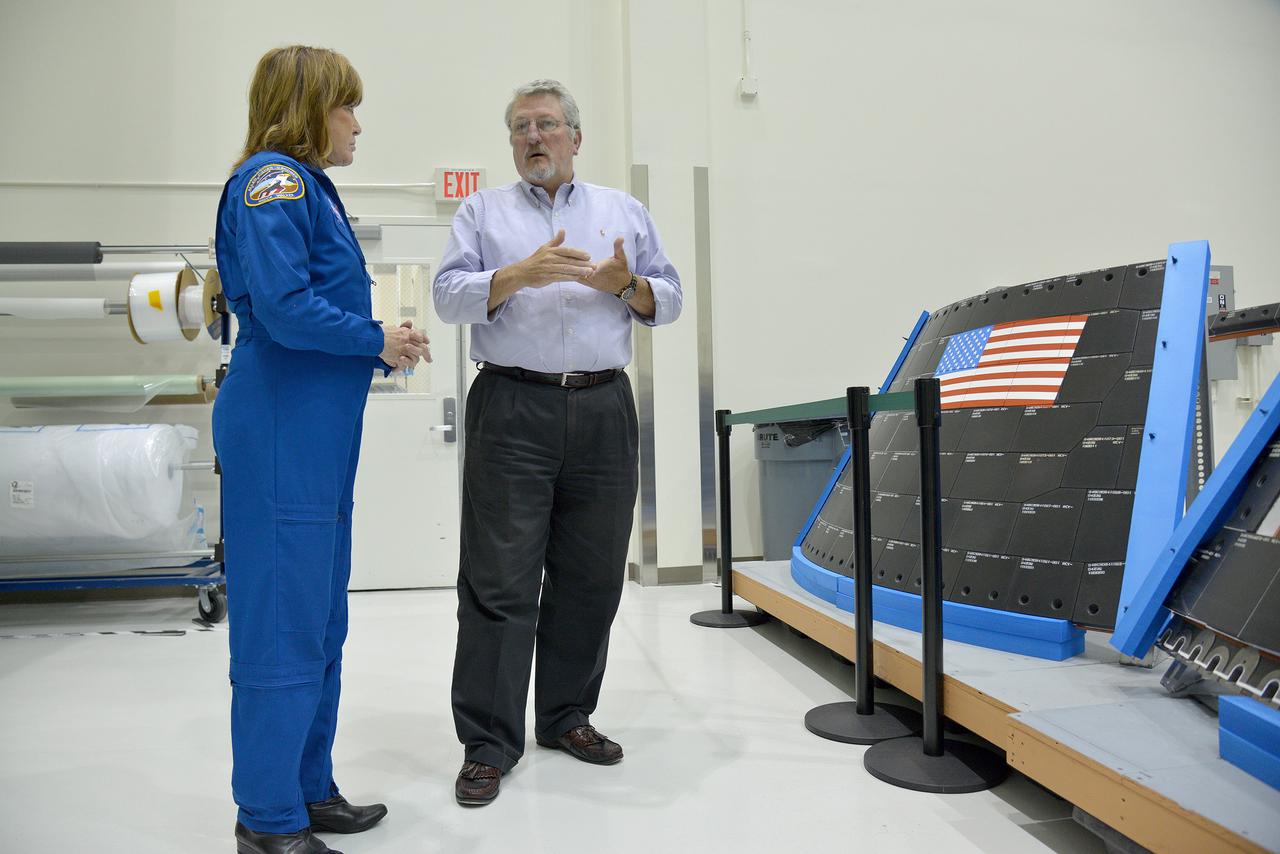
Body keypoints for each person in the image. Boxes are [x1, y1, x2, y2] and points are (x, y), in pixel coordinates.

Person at [433, 78, 682, 806]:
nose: (532, 138)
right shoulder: (481, 211)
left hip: (604, 407)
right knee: (499, 580)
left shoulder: (622, 211)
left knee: (592, 575)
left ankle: (567, 716)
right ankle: (488, 742)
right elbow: (449, 296)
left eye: (545, 125)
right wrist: (517, 275)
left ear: (576, 136)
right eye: (519, 128)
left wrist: (625, 284)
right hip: (511, 407)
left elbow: (667, 299)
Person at [214, 45, 429, 853]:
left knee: (319, 617)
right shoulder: (275, 181)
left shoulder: (313, 190)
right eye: (346, 108)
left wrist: (376, 341)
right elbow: (285, 305)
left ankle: (308, 788)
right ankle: (266, 821)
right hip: (279, 427)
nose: (356, 124)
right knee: (279, 622)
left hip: (315, 432)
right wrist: (378, 338)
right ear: (309, 109)